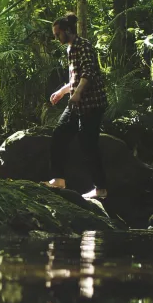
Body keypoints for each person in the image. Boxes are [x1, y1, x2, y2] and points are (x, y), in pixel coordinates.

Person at [46, 13, 109, 200]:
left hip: (91, 103)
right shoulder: (70, 49)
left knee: (88, 144)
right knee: (59, 134)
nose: (56, 38)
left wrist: (78, 93)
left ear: (67, 31)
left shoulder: (84, 46)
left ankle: (101, 189)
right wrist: (62, 92)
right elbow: (74, 78)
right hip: (76, 102)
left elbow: (89, 72)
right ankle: (58, 179)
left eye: (58, 34)